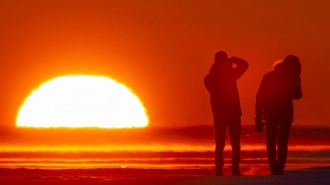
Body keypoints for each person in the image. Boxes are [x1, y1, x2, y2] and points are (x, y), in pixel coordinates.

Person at [254, 55, 302, 175]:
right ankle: (278, 168)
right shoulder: (286, 77)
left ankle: (275, 168)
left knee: (273, 142)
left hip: (274, 113)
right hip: (280, 113)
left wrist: (259, 117)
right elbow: (298, 95)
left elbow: (260, 97)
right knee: (281, 142)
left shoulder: (270, 76)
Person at [204, 50, 249, 176]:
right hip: (225, 114)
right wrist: (233, 59)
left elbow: (245, 65)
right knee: (223, 144)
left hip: (225, 114)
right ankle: (222, 170)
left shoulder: (212, 77)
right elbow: (244, 65)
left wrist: (232, 60)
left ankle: (231, 170)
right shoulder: (225, 76)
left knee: (230, 144)